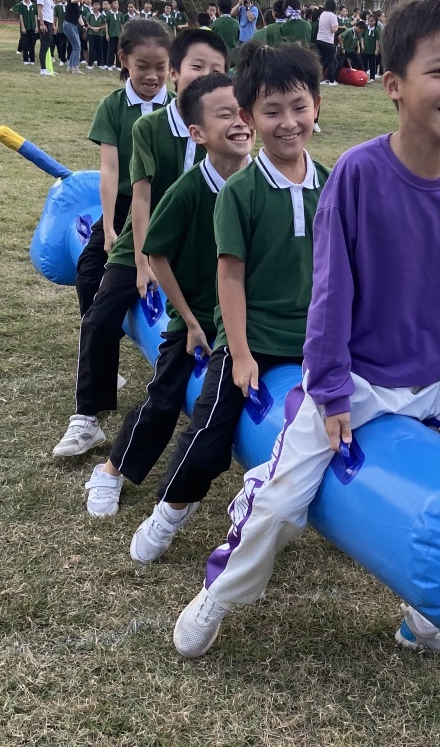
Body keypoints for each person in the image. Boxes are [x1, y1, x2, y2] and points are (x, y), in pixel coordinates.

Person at [173, 0, 440, 666]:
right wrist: (328, 392)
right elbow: (330, 295)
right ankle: (219, 594)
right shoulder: (357, 174)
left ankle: (428, 622)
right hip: (352, 381)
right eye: (439, 71)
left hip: (434, 386)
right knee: (278, 507)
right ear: (394, 85)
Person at [127, 40, 329, 562]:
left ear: (317, 106)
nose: (288, 122)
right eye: (272, 111)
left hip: (315, 341)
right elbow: (230, 278)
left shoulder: (332, 186)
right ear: (248, 117)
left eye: (299, 107)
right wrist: (238, 353)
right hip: (253, 337)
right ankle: (169, 511)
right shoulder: (240, 192)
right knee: (211, 433)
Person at [83, 73, 253, 518]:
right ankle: (111, 469)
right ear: (197, 133)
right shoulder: (189, 190)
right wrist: (191, 322)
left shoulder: (262, 183)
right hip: (198, 314)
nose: (239, 122)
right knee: (166, 395)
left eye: (243, 112)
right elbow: (156, 254)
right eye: (225, 115)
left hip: (249, 318)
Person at [53, 29, 229, 458]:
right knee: (100, 315)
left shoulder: (228, 126)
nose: (206, 76)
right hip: (144, 239)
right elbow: (142, 197)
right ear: (176, 72)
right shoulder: (149, 126)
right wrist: (144, 260)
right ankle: (86, 417)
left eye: (217, 70)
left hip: (203, 246)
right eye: (197, 67)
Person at [75, 20, 173, 316]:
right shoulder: (112, 106)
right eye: (143, 66)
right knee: (89, 270)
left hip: (166, 206)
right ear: (124, 60)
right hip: (123, 208)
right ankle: (95, 328)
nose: (153, 76)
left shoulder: (180, 109)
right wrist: (108, 227)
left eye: (161, 67)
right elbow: (110, 169)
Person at [36, 0, 56, 77]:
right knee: (44, 44)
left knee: (49, 44)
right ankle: (43, 68)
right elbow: (40, 8)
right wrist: (42, 23)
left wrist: (52, 24)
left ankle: (47, 67)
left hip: (50, 21)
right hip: (44, 21)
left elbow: (50, 8)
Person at [63, 0, 87, 75]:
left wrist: (83, 25)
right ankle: (75, 68)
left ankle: (70, 67)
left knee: (76, 46)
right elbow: (73, 0)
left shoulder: (80, 3)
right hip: (68, 25)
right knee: (77, 47)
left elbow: (79, 16)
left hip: (74, 26)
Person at [11, 0, 38, 66]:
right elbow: (21, 16)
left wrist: (36, 26)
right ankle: (25, 59)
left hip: (32, 27)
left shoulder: (33, 5)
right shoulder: (21, 5)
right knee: (25, 43)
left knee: (32, 43)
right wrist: (23, 27)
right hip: (25, 28)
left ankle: (32, 59)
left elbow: (35, 16)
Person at [316, 0, 339, 85]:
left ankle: (320, 79)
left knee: (321, 60)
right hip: (328, 40)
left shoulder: (322, 14)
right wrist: (337, 27)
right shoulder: (333, 16)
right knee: (330, 61)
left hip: (319, 38)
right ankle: (331, 80)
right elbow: (333, 29)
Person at [86, 0, 107, 70]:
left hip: (99, 34)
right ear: (92, 6)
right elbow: (86, 24)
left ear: (99, 6)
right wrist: (93, 28)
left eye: (97, 5)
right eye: (95, 5)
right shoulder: (89, 14)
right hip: (91, 34)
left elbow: (104, 25)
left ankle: (100, 64)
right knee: (91, 49)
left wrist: (99, 28)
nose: (96, 6)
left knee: (99, 49)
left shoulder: (101, 15)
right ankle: (90, 64)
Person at [105, 0, 124, 71]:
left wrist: (123, 34)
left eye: (117, 3)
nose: (117, 5)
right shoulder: (108, 14)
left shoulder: (120, 14)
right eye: (115, 3)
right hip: (111, 35)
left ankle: (118, 65)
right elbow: (106, 24)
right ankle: (110, 64)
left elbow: (122, 24)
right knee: (110, 50)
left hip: (118, 35)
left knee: (118, 51)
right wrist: (107, 34)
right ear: (111, 5)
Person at [362, 14, 381, 81]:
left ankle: (372, 77)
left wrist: (376, 49)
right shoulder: (365, 29)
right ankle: (363, 74)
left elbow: (377, 40)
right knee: (363, 62)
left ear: (375, 22)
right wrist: (362, 45)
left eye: (372, 21)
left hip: (372, 50)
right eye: (370, 21)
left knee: (372, 63)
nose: (371, 22)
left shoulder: (376, 30)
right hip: (365, 49)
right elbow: (362, 37)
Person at [54, 0, 68, 67]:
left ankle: (69, 59)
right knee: (62, 44)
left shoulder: (69, 6)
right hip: (61, 29)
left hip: (69, 29)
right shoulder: (57, 7)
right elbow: (55, 18)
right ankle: (62, 59)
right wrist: (55, 27)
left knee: (70, 45)